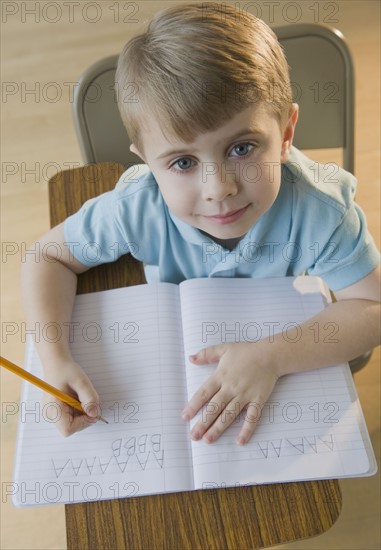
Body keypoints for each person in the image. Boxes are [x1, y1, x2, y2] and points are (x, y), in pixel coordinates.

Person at [21, 3, 380, 442]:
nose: (218, 189)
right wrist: (54, 360)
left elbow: (373, 310)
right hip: (170, 365)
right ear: (149, 164)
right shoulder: (140, 207)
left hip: (279, 358)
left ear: (285, 134)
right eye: (183, 162)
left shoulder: (318, 210)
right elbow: (46, 257)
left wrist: (272, 357)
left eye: (242, 148)